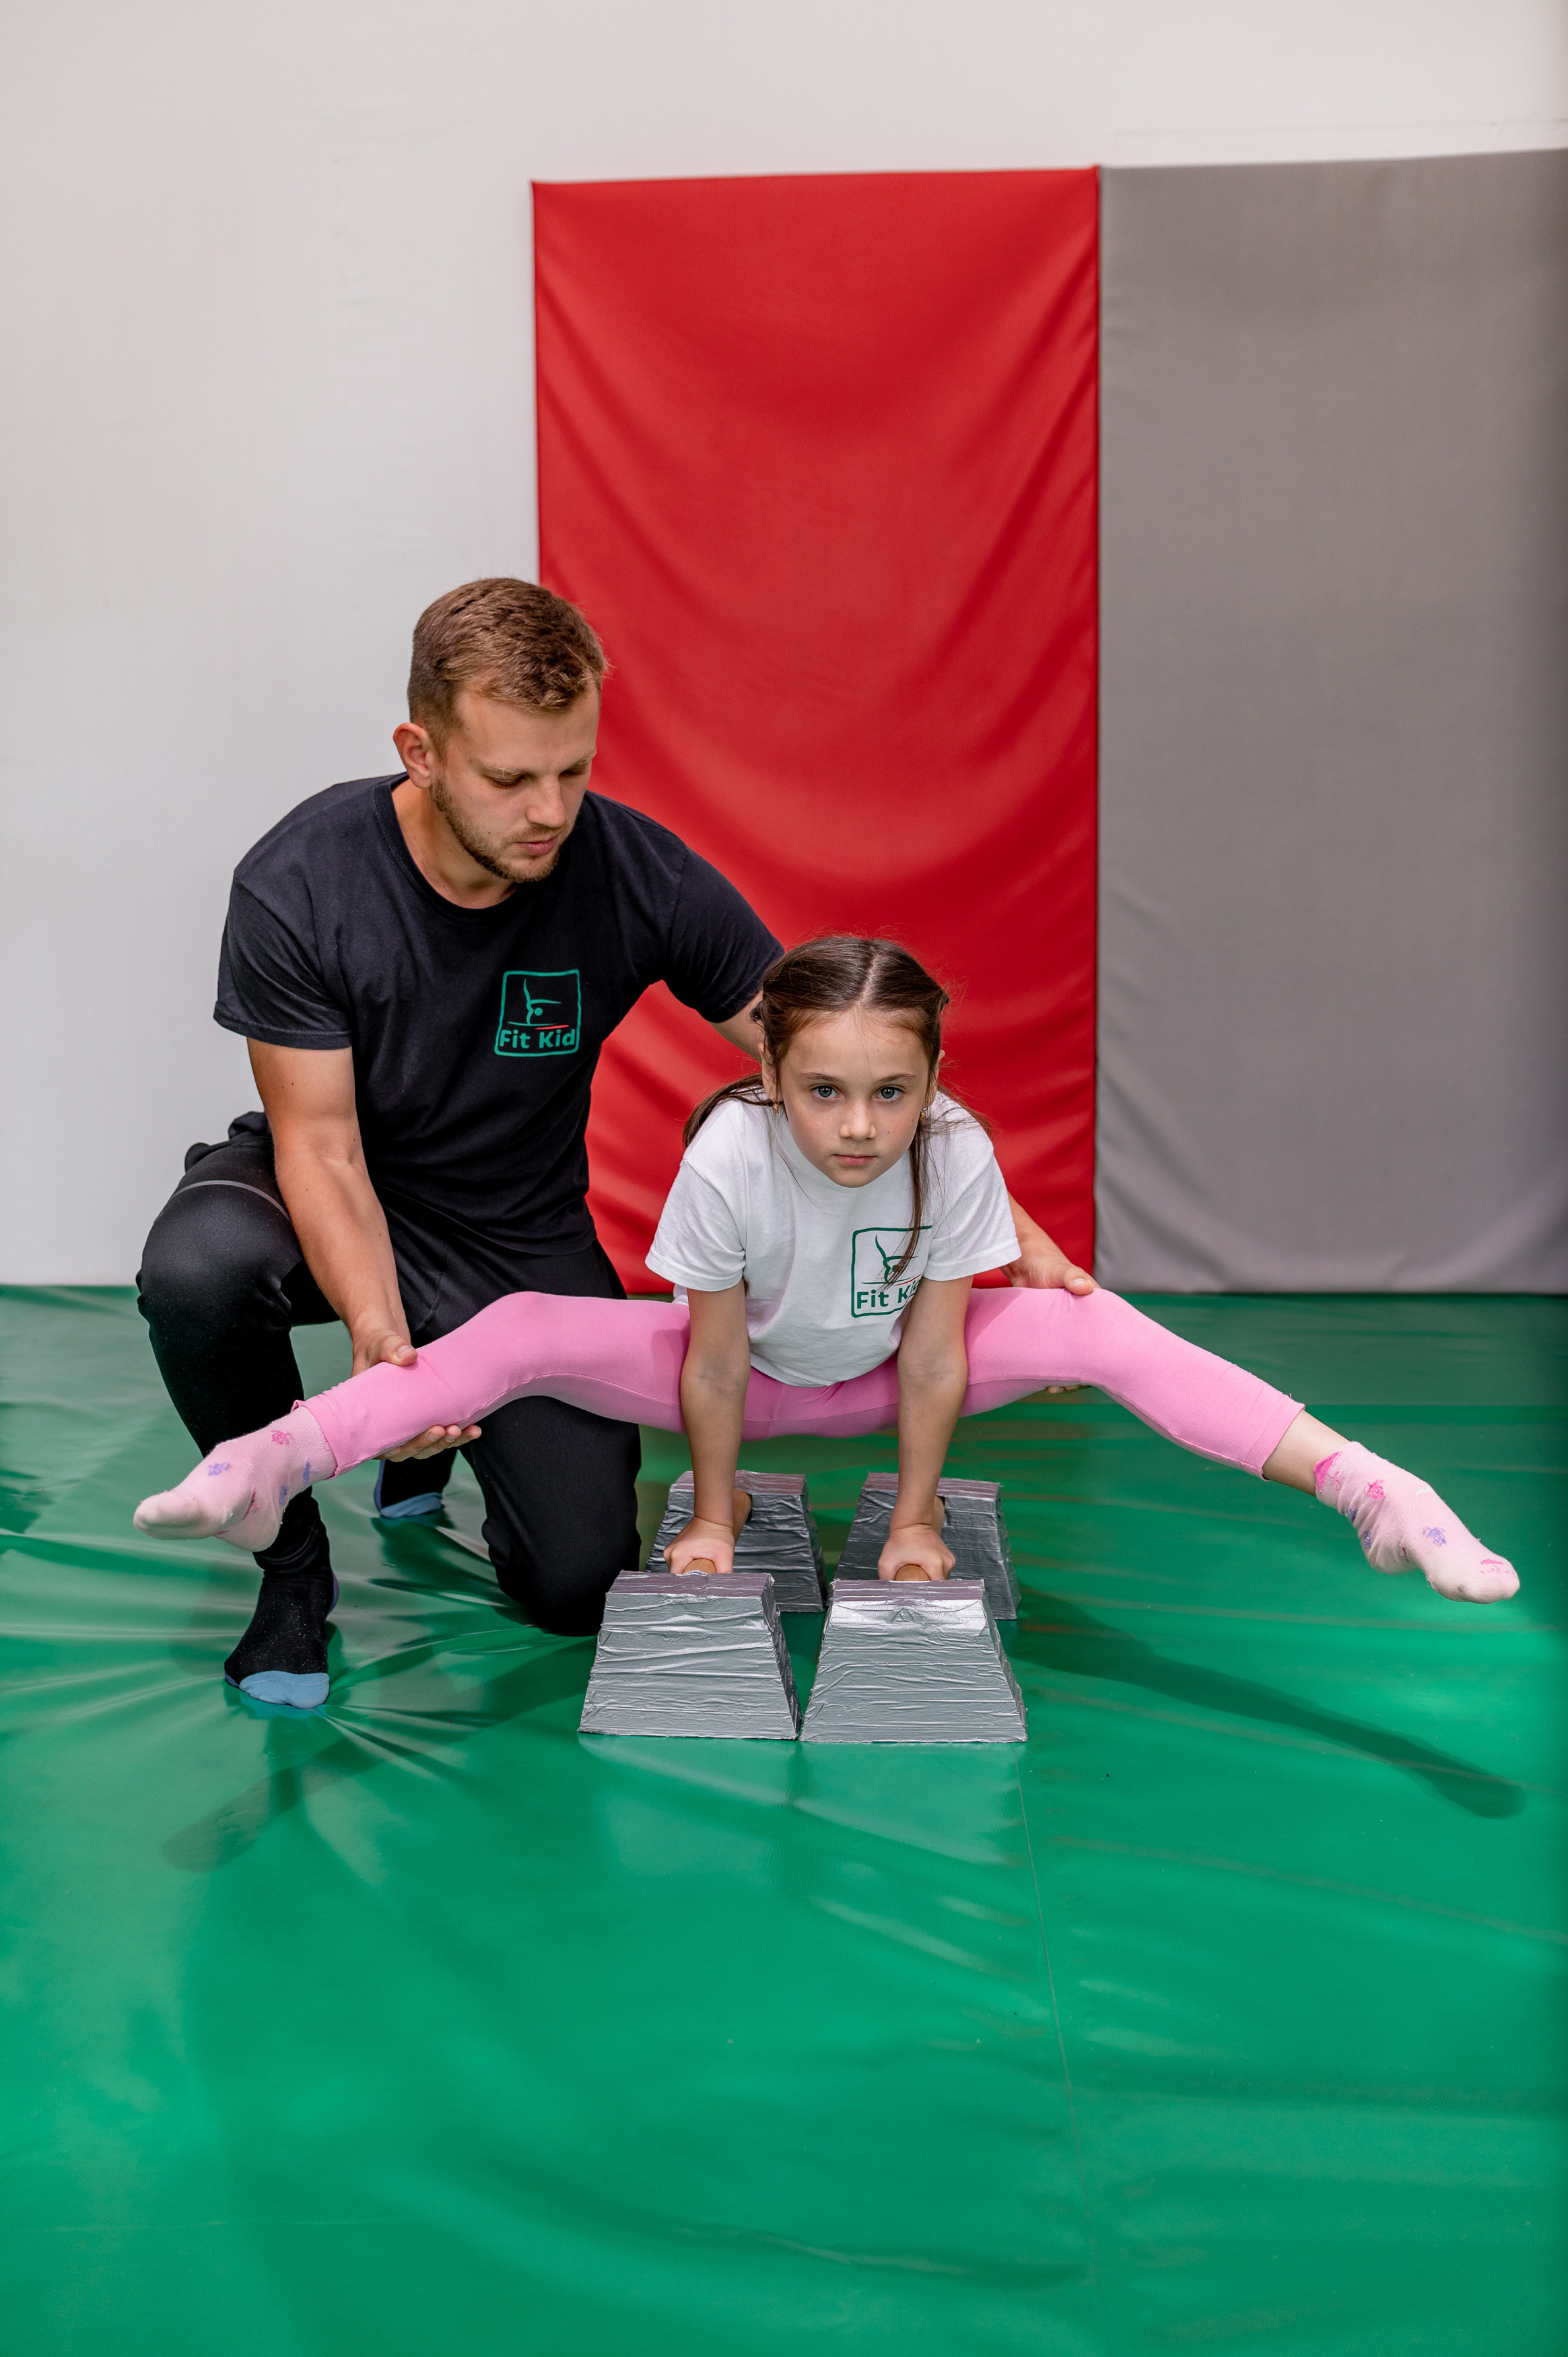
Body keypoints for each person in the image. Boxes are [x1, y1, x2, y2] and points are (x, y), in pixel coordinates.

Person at [135, 587, 1085, 1706]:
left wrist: (1013, 1235)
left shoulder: (631, 869)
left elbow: (832, 1056)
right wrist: (387, 1349)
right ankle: (292, 1572)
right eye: (509, 779)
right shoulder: (301, 880)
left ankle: (442, 1444)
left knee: (578, 1579)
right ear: (421, 750)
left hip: (513, 1229)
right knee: (199, 1270)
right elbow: (324, 1146)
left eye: (573, 771)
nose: (549, 809)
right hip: (322, 1190)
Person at [137, 937, 1520, 1664]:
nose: (858, 1126)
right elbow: (717, 1367)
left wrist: (913, 1520)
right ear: (765, 1076)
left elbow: (933, 1362)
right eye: (823, 1090)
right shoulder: (730, 1154)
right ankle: (274, 1460)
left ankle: (1372, 1490)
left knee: (1101, 1328)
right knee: (515, 1332)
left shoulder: (956, 1153)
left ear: (932, 1081)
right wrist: (720, 1517)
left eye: (891, 1091)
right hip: (736, 1370)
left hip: (891, 1373)